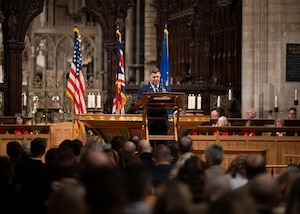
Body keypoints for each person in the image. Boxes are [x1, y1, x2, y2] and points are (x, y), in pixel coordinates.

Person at [137, 67, 171, 135]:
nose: (156, 79)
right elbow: (139, 103)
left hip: (163, 119)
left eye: (157, 77)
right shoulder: (143, 89)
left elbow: (170, 103)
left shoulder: (166, 88)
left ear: (160, 76)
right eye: (154, 77)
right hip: (150, 119)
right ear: (149, 77)